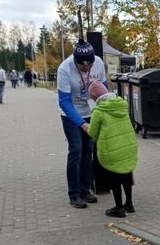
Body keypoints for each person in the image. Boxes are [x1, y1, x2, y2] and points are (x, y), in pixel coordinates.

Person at [57, 38, 106, 208]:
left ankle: (85, 189)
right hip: (71, 114)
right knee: (76, 150)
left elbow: (103, 89)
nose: (87, 69)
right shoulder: (64, 69)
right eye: (83, 67)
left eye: (89, 66)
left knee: (88, 151)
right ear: (76, 62)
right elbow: (64, 101)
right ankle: (74, 193)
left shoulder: (98, 63)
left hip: (91, 111)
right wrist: (81, 124)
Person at [87, 80, 137, 218]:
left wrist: (86, 127)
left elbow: (93, 133)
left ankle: (119, 208)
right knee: (126, 174)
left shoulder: (98, 111)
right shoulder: (121, 104)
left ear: (95, 97)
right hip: (127, 145)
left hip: (112, 149)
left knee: (115, 178)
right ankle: (129, 204)